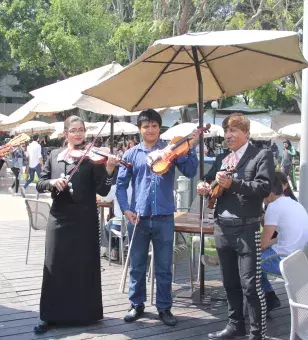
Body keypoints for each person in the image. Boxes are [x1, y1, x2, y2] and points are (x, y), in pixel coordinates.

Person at [33, 116, 120, 334]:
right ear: (65, 134)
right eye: (74, 130)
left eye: (81, 130)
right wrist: (52, 182)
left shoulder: (92, 158)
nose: (78, 134)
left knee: (83, 266)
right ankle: (49, 316)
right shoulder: (54, 155)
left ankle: (85, 315)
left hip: (85, 220)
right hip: (59, 218)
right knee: (54, 265)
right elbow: (40, 183)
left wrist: (109, 170)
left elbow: (102, 190)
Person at [116, 109, 199, 326]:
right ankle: (137, 304)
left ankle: (164, 307)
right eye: (146, 126)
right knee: (137, 265)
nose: (150, 130)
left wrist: (190, 147)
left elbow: (190, 172)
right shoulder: (131, 154)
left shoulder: (170, 150)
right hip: (138, 218)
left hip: (164, 218)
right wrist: (126, 209)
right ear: (140, 129)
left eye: (154, 126)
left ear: (159, 128)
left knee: (163, 266)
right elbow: (121, 186)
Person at [197, 113, 274, 340]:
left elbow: (264, 188)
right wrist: (204, 185)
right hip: (222, 226)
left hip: (247, 228)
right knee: (229, 281)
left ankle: (257, 334)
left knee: (251, 285)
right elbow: (208, 178)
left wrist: (234, 183)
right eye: (226, 131)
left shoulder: (261, 155)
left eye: (233, 131)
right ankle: (235, 325)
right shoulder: (223, 158)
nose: (228, 135)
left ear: (246, 133)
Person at [261, 173, 308, 312]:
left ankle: (266, 298)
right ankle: (269, 296)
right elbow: (282, 237)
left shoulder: (273, 207)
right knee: (257, 257)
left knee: (248, 262)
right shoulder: (295, 204)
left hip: (284, 261)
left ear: (269, 191)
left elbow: (263, 244)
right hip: (300, 259)